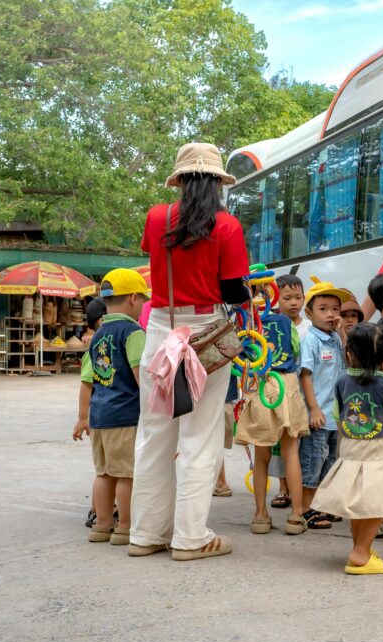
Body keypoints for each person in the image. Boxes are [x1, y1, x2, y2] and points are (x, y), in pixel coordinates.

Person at [130, 142, 249, 561]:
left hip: (161, 329)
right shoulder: (227, 226)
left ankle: (146, 534)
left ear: (179, 180)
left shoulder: (157, 216)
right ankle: (190, 538)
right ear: (217, 182)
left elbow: (159, 262)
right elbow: (234, 290)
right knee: (200, 437)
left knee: (154, 435)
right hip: (205, 335)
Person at [311, 324, 383, 575]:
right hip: (378, 450)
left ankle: (360, 547)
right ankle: (360, 554)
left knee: (359, 504)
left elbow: (337, 413)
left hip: (351, 447)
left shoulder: (342, 381)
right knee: (375, 505)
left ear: (349, 355)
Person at [72, 269, 148, 545]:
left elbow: (91, 379)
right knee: (127, 474)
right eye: (143, 301)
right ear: (132, 298)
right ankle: (125, 527)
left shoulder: (98, 334)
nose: (142, 307)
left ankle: (102, 526)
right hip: (125, 416)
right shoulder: (134, 333)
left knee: (104, 473)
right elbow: (142, 377)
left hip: (100, 416)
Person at [236, 300, 310, 536]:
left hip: (259, 384)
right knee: (291, 452)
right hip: (286, 382)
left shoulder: (246, 324)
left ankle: (260, 515)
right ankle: (297, 515)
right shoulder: (286, 322)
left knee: (261, 455)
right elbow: (296, 350)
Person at [299, 278, 350, 529]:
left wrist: (342, 333)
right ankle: (307, 508)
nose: (331, 314)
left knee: (330, 462)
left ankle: (323, 506)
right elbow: (305, 374)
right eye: (323, 309)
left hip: (335, 414)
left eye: (335, 309)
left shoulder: (334, 339)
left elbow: (348, 364)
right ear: (309, 313)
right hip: (318, 415)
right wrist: (314, 408)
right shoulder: (311, 340)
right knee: (313, 462)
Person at [267, 273, 309, 508]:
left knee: (297, 446)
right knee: (279, 445)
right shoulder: (271, 325)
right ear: (276, 300)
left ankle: (298, 489)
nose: (293, 303)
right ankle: (283, 488)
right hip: (278, 392)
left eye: (298, 297)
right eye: (287, 298)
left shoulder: (309, 327)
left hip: (302, 393)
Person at [80, 296, 110, 530]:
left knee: (106, 471)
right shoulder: (98, 347)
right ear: (103, 320)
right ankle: (99, 511)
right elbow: (86, 383)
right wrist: (82, 418)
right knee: (107, 471)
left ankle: (100, 511)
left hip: (102, 415)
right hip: (104, 416)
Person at [213, 373, 238, 497]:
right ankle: (220, 482)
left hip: (214, 396)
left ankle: (221, 482)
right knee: (216, 444)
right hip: (226, 397)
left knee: (212, 443)